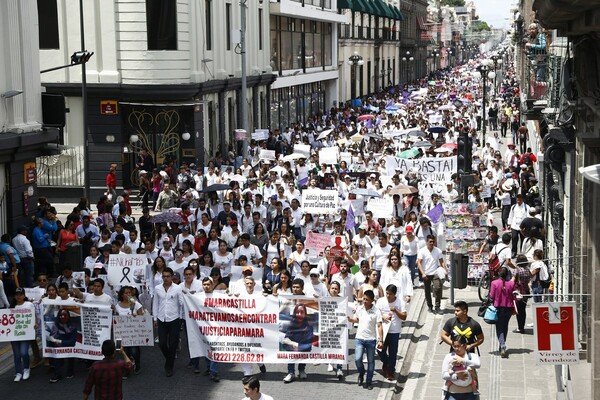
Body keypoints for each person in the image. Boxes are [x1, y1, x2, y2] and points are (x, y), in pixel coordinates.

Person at [348, 290, 383, 390]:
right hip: (359, 338)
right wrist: (351, 319)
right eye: (364, 299)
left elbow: (379, 325)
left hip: (371, 340)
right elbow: (357, 319)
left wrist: (381, 340)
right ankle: (361, 372)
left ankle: (369, 381)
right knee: (357, 359)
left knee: (371, 361)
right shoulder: (360, 309)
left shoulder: (376, 311)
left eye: (367, 300)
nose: (365, 301)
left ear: (372, 300)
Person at [152, 267, 184, 377]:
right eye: (164, 276)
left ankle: (169, 366)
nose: (165, 278)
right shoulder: (157, 288)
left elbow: (181, 303)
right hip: (161, 319)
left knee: (173, 343)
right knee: (162, 343)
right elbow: (155, 303)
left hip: (174, 319)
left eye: (168, 276)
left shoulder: (177, 288)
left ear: (172, 277)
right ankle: (170, 359)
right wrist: (155, 318)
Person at [376, 285, 407, 381]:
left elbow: (404, 316)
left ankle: (390, 371)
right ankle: (386, 362)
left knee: (393, 353)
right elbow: (375, 313)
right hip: (382, 331)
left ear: (395, 294)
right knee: (380, 351)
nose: (388, 295)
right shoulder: (381, 301)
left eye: (390, 294)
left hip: (394, 331)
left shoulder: (400, 302)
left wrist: (395, 310)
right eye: (387, 293)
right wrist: (382, 317)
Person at [282, 279, 310, 383]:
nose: (295, 289)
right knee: (290, 349)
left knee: (303, 348)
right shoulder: (289, 298)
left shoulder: (307, 298)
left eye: (297, 287)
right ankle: (290, 372)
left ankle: (302, 370)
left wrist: (318, 298)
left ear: (302, 288)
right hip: (292, 327)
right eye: (293, 287)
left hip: (304, 327)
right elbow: (279, 310)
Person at [441, 336, 481, 400]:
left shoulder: (472, 356)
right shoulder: (449, 357)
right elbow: (444, 375)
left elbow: (478, 364)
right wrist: (456, 376)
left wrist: (463, 360)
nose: (456, 348)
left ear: (464, 345)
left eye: (459, 346)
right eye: (454, 346)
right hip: (453, 393)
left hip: (469, 393)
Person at [489, 267, 516, 358]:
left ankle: (502, 344)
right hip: (509, 308)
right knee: (505, 326)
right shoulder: (511, 284)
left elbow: (491, 296)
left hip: (498, 308)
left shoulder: (494, 283)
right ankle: (502, 345)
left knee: (499, 327)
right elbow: (514, 296)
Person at [417, 235, 447, 313]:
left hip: (435, 272)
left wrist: (445, 270)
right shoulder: (422, 251)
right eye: (430, 241)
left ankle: (437, 306)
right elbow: (419, 263)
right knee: (427, 291)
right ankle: (430, 306)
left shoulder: (438, 251)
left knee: (438, 288)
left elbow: (441, 261)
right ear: (427, 242)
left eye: (433, 242)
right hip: (426, 273)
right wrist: (423, 273)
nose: (432, 243)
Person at [10, 288, 34, 382]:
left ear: (24, 295)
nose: (18, 296)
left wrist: (35, 324)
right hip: (14, 334)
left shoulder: (29, 304)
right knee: (16, 354)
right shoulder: (12, 306)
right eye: (16, 294)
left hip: (25, 333)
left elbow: (33, 316)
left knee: (23, 352)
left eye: (20, 294)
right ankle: (18, 372)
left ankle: (26, 368)